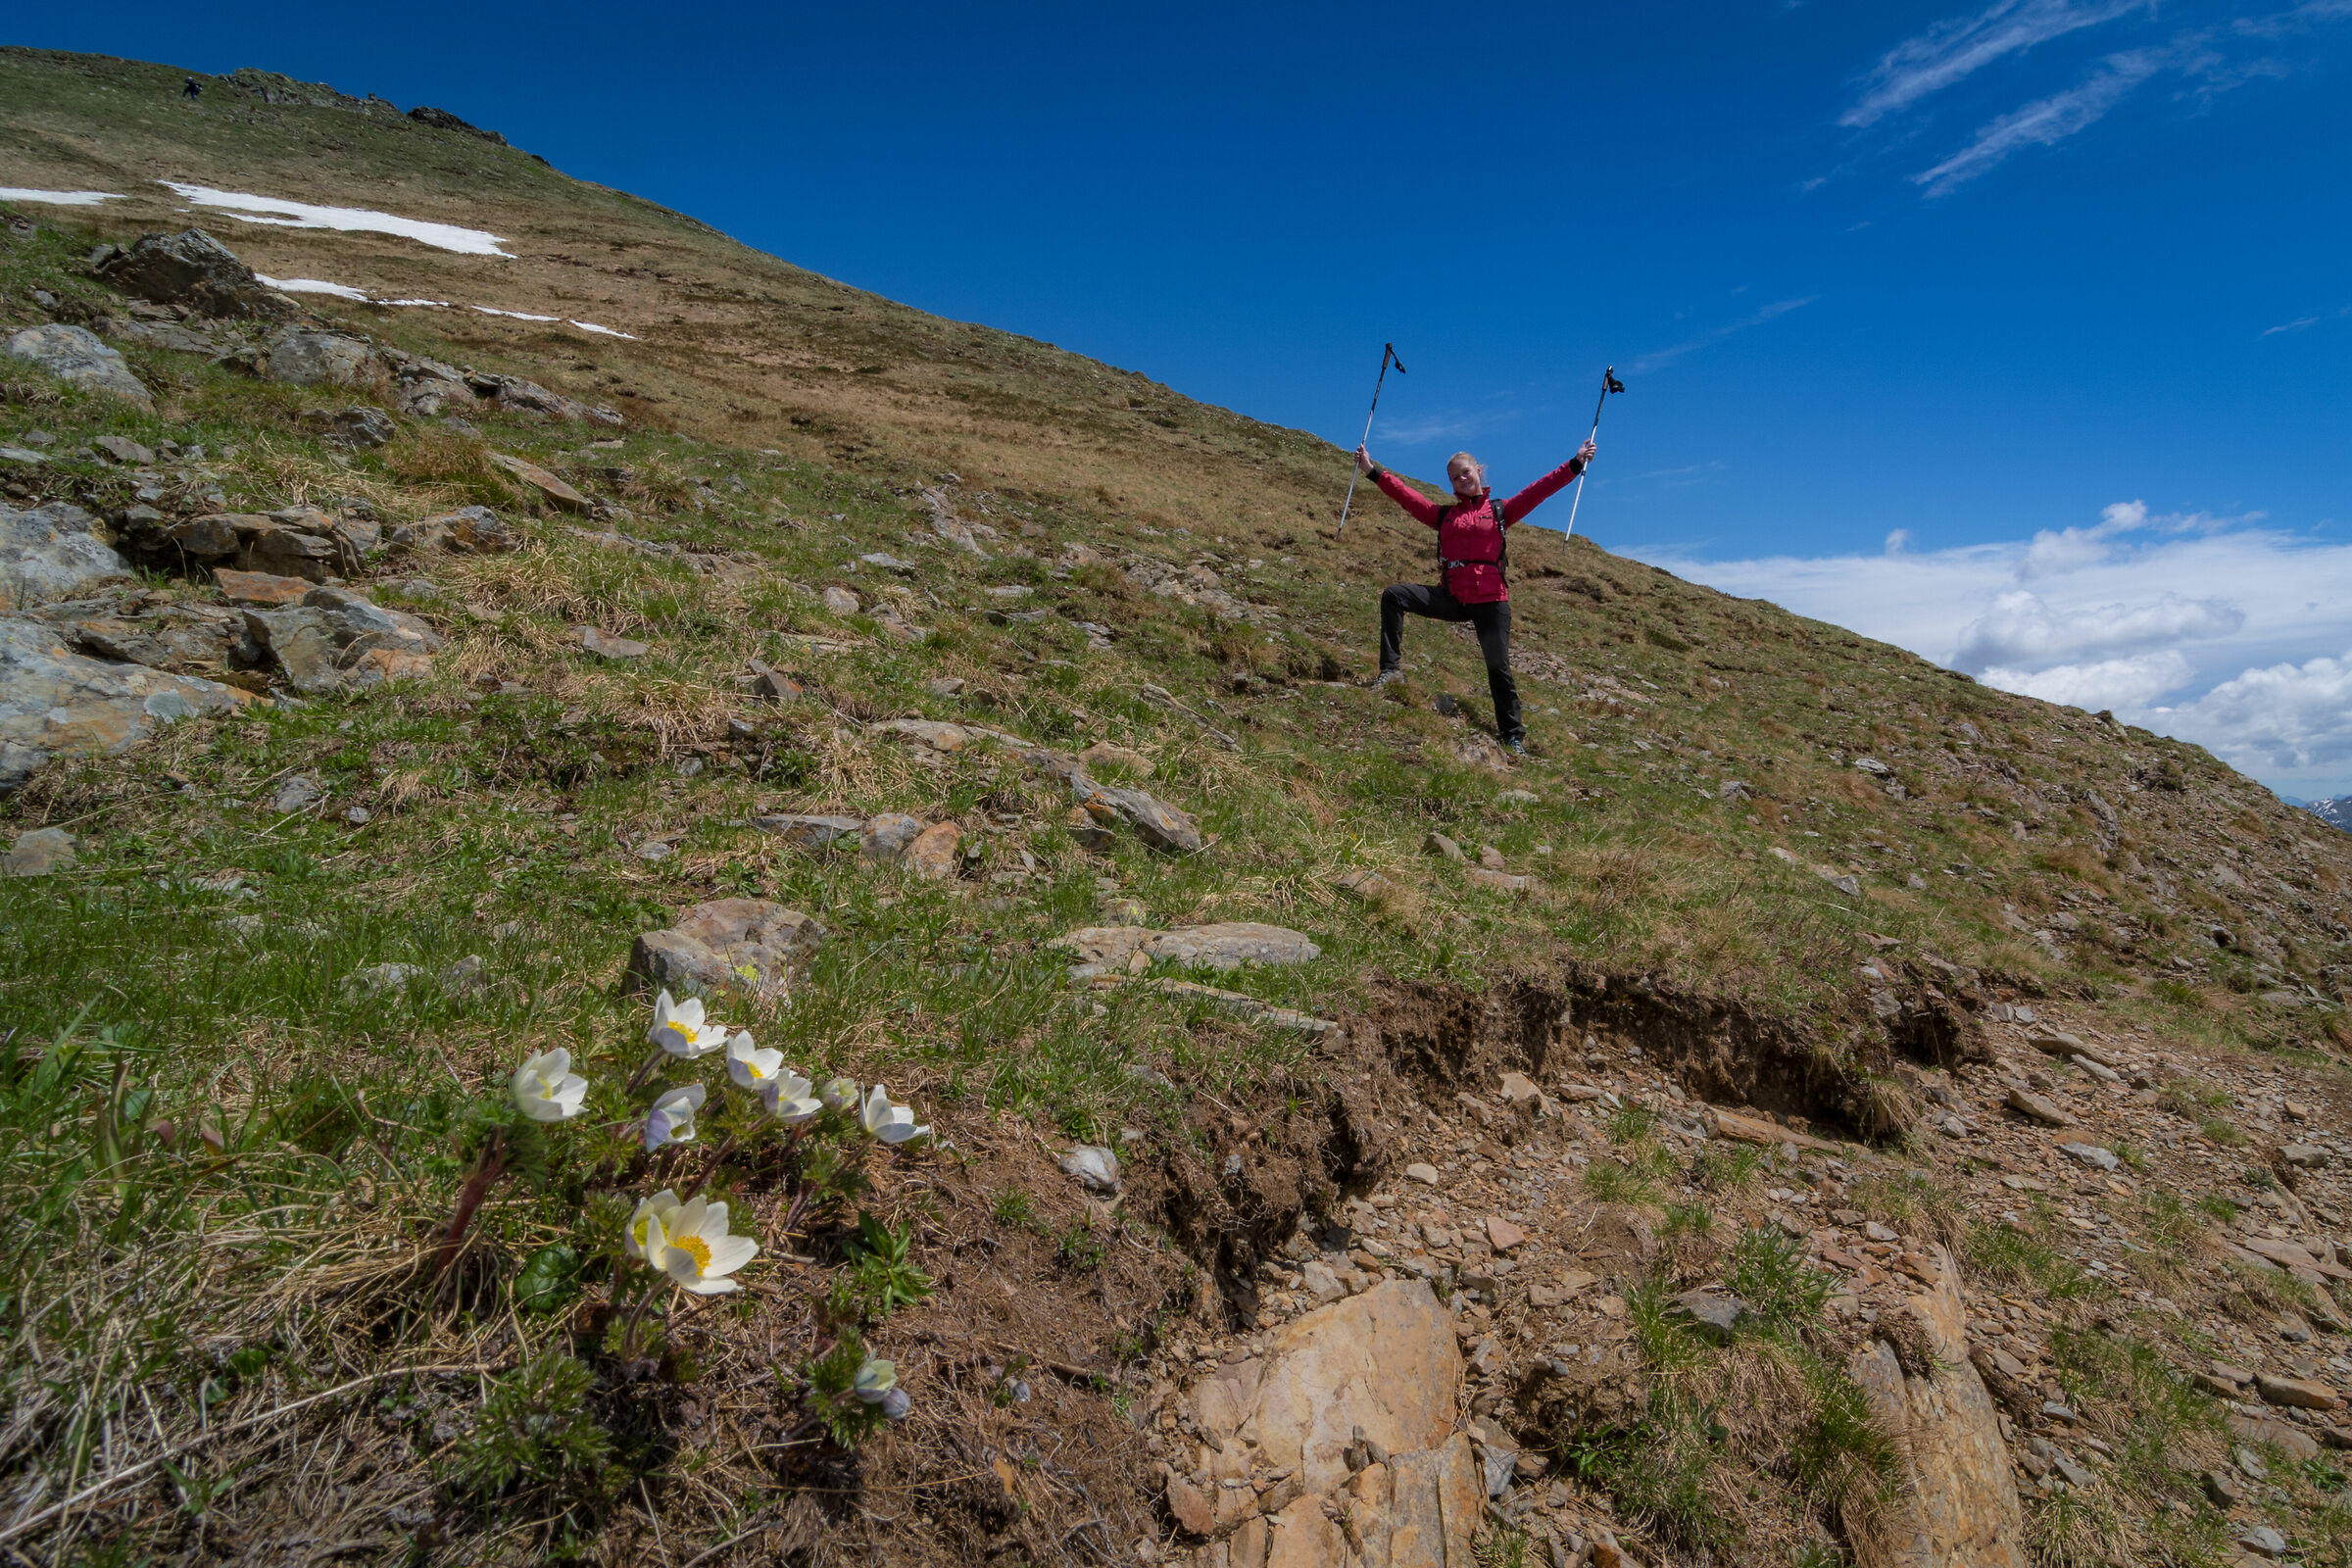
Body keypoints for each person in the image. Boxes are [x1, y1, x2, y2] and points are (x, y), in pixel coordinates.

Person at [1353, 438, 1595, 756]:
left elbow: (1540, 490)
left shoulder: (1500, 511)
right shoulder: (1442, 516)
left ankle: (1513, 736)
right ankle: (1390, 670)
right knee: (1394, 595)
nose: (1461, 479)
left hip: (1492, 602)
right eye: (1455, 477)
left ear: (1478, 471)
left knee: (1498, 667)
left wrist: (1575, 464)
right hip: (1452, 597)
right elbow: (1407, 497)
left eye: (1465, 472)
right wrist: (1372, 471)